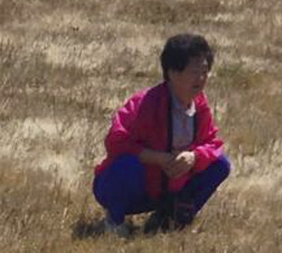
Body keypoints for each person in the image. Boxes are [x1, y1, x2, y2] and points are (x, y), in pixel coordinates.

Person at [93, 34, 230, 237]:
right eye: (194, 72)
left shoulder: (200, 105)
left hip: (169, 187)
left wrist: (194, 157)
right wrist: (158, 158)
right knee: (127, 164)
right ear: (172, 73)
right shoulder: (146, 103)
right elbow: (116, 142)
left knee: (221, 164)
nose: (201, 79)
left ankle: (170, 217)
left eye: (205, 72)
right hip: (131, 185)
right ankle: (115, 221)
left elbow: (213, 144)